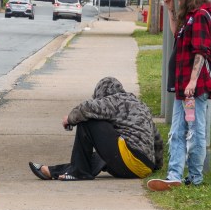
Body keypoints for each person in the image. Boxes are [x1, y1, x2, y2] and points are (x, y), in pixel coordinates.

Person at [147, 0, 211, 192]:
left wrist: (193, 81)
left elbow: (201, 51)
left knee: (195, 132)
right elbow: (177, 35)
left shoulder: (201, 17)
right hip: (183, 87)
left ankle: (195, 177)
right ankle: (174, 175)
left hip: (194, 88)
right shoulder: (189, 17)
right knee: (177, 131)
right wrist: (169, 11)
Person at [29, 77, 163, 181]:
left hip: (129, 161)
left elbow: (87, 108)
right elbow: (157, 140)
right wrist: (157, 167)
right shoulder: (140, 104)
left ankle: (79, 173)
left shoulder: (114, 100)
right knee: (92, 158)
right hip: (145, 167)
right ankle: (53, 171)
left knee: (87, 120)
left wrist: (69, 119)